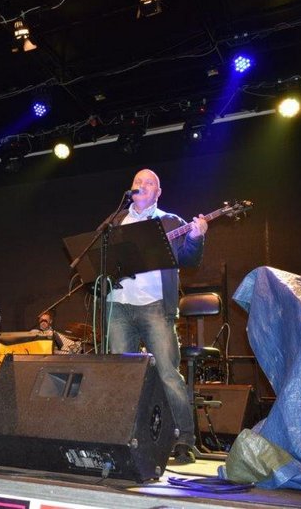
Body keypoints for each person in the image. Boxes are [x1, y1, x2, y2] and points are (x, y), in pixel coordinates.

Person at [106, 168, 208, 463]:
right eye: (137, 181)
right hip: (118, 306)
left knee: (168, 373)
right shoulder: (116, 221)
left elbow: (188, 259)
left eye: (149, 182)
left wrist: (196, 237)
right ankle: (122, 438)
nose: (142, 185)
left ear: (158, 192)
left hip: (155, 307)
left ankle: (184, 439)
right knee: (122, 376)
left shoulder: (170, 221)